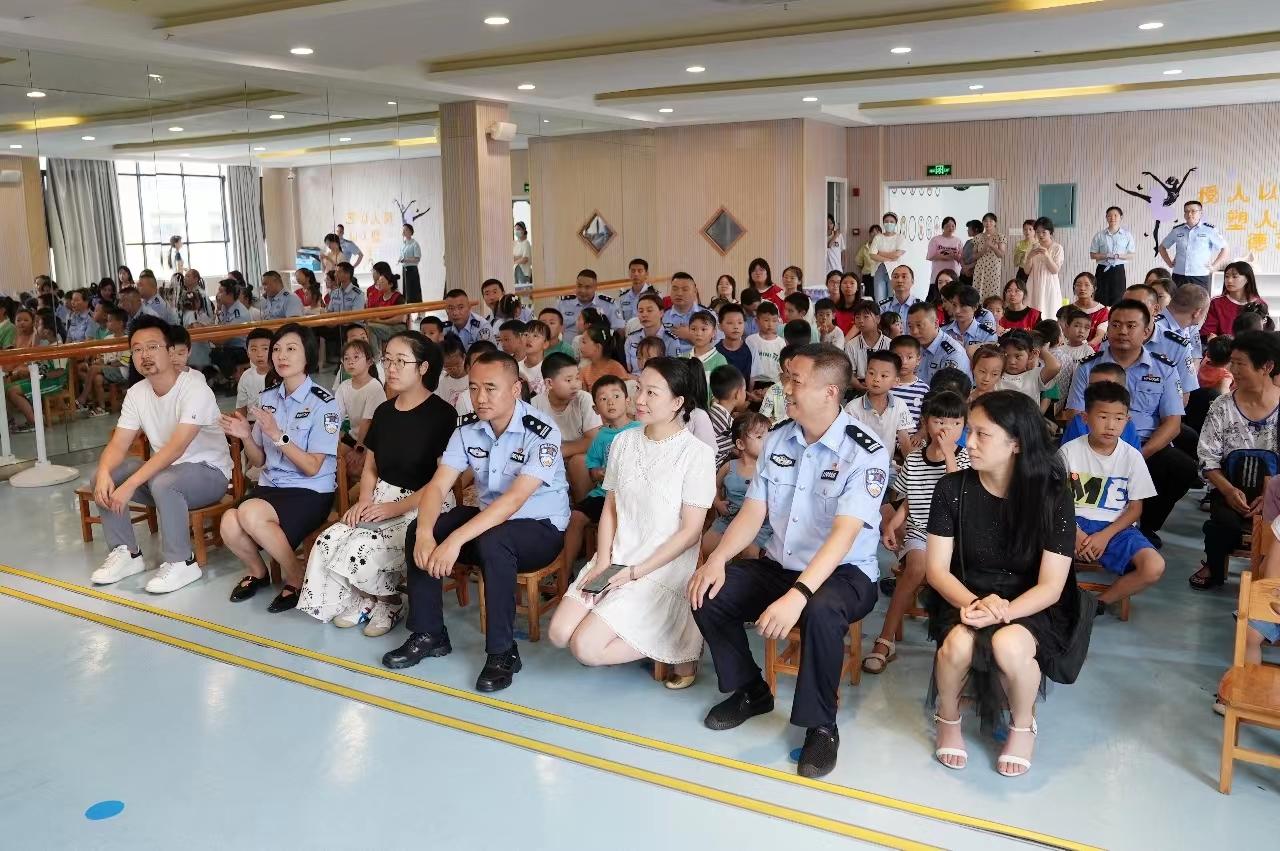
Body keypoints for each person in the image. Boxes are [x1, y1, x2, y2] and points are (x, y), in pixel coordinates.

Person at [689, 345, 889, 778]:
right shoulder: (780, 438)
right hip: (781, 566)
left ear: (830, 392)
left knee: (820, 610)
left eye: (795, 381)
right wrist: (717, 558)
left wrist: (798, 595)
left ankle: (822, 726)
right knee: (708, 592)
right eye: (786, 378)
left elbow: (844, 535)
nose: (785, 388)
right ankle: (751, 690)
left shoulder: (865, 451)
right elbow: (753, 511)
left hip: (846, 573)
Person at [384, 350, 569, 692]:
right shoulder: (468, 428)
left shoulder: (541, 432)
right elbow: (438, 485)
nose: (480, 397)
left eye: (490, 388)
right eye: (473, 388)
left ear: (515, 389)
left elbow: (514, 501)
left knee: (493, 542)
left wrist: (455, 541)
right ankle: (429, 633)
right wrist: (425, 533)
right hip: (488, 522)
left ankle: (503, 653)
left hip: (539, 527)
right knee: (422, 529)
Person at [925, 391, 1088, 777]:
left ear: (1016, 443)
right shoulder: (951, 489)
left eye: (982, 434)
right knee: (957, 646)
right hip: (966, 593)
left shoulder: (1053, 496)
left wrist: (1005, 612)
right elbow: (937, 571)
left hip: (1030, 600)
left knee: (1010, 646)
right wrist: (977, 605)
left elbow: (1051, 586)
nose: (968, 442)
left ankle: (1023, 724)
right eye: (969, 431)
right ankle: (947, 717)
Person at [551, 356, 715, 686]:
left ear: (677, 403)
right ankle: (655, 633)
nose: (639, 399)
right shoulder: (624, 442)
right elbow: (610, 507)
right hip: (619, 555)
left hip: (661, 565)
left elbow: (690, 532)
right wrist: (603, 561)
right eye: (639, 389)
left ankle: (680, 647)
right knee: (558, 634)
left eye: (652, 393)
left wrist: (635, 572)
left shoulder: (697, 454)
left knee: (585, 647)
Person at [297, 332, 456, 631]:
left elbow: (440, 481)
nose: (391, 368)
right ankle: (365, 598)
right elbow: (371, 465)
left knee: (362, 545)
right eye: (388, 360)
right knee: (328, 540)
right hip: (382, 496)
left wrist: (394, 508)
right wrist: (365, 500)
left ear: (423, 368)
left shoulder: (442, 415)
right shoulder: (384, 411)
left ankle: (390, 601)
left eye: (401, 361)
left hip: (425, 503)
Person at [87, 315, 232, 594]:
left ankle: (182, 562)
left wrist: (131, 485)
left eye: (152, 347)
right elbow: (118, 445)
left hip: (209, 475)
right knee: (103, 476)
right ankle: (127, 554)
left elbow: (176, 448)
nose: (145, 355)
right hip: (164, 475)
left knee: (164, 482)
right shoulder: (137, 393)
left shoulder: (195, 389)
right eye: (137, 349)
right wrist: (105, 473)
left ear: (169, 350)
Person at [218, 324, 340, 613]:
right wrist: (245, 436)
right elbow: (259, 460)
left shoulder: (324, 403)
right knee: (229, 522)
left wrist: (278, 436)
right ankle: (258, 572)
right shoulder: (267, 398)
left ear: (307, 356)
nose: (281, 356)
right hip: (271, 487)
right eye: (277, 349)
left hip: (310, 491)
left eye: (291, 349)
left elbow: (312, 467)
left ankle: (296, 577)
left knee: (249, 513)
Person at [1065, 300, 1196, 542]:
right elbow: (1076, 414)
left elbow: (1173, 422)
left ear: (1146, 331)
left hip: (1146, 447)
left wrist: (1135, 456)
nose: (1122, 331)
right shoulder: (1089, 366)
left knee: (1182, 468)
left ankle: (1146, 525)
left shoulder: (1164, 368)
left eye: (1131, 325)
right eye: (1115, 325)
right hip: (1094, 443)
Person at [865, 390, 969, 674]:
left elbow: (956, 494)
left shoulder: (964, 460)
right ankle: (885, 640)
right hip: (922, 532)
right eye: (939, 422)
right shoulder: (914, 460)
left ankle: (958, 643)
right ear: (926, 422)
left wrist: (949, 456)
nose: (947, 429)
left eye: (956, 423)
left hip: (958, 536)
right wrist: (892, 524)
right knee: (916, 567)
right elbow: (911, 499)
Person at [1060, 381, 1165, 614]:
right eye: (1103, 417)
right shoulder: (1068, 452)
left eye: (1118, 418)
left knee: (1153, 566)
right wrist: (1076, 534)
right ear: (1085, 418)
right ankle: (1055, 598)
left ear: (1128, 420)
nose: (1110, 425)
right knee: (1031, 549)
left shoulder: (1132, 457)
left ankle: (1098, 604)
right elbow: (1055, 503)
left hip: (1116, 528)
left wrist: (1104, 536)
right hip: (1071, 523)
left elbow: (1135, 509)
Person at [1190, 331, 1280, 590]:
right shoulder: (1222, 406)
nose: (1233, 370)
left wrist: (1269, 495)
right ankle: (1214, 565)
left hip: (1276, 494)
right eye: (1233, 362)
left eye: (1241, 364)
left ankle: (1270, 577)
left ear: (1267, 367)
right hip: (1229, 488)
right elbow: (1207, 458)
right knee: (1222, 525)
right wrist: (1228, 491)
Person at [560, 375, 639, 572]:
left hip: (631, 496)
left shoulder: (639, 430)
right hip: (603, 495)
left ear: (628, 401)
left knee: (623, 521)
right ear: (596, 409)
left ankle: (615, 571)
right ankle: (564, 573)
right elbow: (592, 470)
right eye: (603, 399)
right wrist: (598, 473)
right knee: (576, 517)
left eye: (616, 396)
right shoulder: (600, 436)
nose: (610, 402)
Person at [703, 412, 773, 562]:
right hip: (728, 519)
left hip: (759, 524)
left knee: (750, 552)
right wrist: (717, 502)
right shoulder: (730, 467)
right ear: (740, 444)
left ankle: (743, 573)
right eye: (760, 437)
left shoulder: (769, 468)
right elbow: (714, 486)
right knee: (707, 545)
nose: (767, 441)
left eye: (769, 436)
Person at [534, 352, 602, 502]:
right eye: (568, 380)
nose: (576, 384)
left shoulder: (584, 399)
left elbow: (593, 440)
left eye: (577, 378)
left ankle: (582, 508)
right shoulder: (535, 405)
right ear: (549, 383)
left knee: (578, 462)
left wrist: (559, 452)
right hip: (549, 459)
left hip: (578, 459)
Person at [845, 350, 913, 458]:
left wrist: (910, 465)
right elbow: (848, 443)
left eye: (884, 376)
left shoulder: (900, 405)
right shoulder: (852, 408)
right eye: (871, 373)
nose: (876, 379)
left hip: (886, 464)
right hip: (859, 464)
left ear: (896, 381)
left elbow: (904, 440)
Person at [335, 338, 386, 481]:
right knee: (330, 459)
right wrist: (334, 439)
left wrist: (359, 448)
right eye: (346, 358)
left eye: (356, 357)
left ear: (369, 362)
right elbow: (335, 416)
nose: (350, 361)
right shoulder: (344, 387)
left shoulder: (374, 387)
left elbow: (367, 422)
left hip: (373, 441)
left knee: (355, 469)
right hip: (354, 437)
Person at [1059, 362, 1142, 449]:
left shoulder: (1128, 425)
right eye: (1092, 386)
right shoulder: (1079, 421)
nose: (1097, 391)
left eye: (1107, 387)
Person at [1159, 200, 1228, 290]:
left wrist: (1214, 266)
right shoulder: (1177, 230)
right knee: (1177, 298)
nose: (1189, 214)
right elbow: (1162, 247)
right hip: (1179, 275)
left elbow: (1225, 248)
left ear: (1200, 213)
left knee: (1199, 299)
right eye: (1186, 211)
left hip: (1200, 275)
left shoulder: (1209, 230)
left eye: (1193, 211)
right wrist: (1169, 263)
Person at [908, 302, 970, 386]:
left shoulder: (953, 354)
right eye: (910, 326)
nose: (914, 331)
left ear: (936, 324)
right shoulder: (912, 346)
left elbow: (948, 391)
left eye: (919, 325)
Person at [1201, 260, 1266, 342]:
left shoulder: (1259, 304)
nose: (1229, 280)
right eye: (1226, 276)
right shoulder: (1216, 303)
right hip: (1223, 347)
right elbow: (1209, 332)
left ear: (1247, 279)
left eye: (1235, 277)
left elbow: (1264, 334)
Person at [997, 330, 1060, 404]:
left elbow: (1054, 367)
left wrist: (1043, 350)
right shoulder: (996, 375)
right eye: (1006, 355)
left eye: (1017, 356)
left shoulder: (1034, 376)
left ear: (1031, 355)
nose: (1011, 362)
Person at [1090, 206, 1136, 305]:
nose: (1112, 218)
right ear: (1106, 218)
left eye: (1115, 215)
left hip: (1118, 270)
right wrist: (1106, 255)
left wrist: (1118, 256)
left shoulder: (1127, 235)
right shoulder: (1099, 235)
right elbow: (1092, 255)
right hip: (1102, 270)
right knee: (1100, 298)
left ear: (1121, 217)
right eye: (1109, 215)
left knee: (1118, 298)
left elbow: (1131, 255)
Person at [559, 269, 620, 344]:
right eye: (579, 286)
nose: (582, 290)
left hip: (597, 349)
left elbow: (619, 330)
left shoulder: (608, 305)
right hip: (567, 348)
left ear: (595, 287)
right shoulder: (563, 303)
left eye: (587, 287)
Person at [1021, 217, 1064, 320]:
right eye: (1038, 232)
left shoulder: (1057, 248)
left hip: (1049, 284)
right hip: (1033, 283)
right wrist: (1029, 257)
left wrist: (1047, 255)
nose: (1040, 235)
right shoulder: (1032, 247)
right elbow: (1026, 271)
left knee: (1049, 312)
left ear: (1050, 232)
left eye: (1044, 232)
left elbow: (1054, 270)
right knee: (1033, 312)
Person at [845, 300, 889, 393]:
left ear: (877, 319)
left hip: (885, 388)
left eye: (866, 317)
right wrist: (858, 386)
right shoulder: (851, 345)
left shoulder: (889, 344)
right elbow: (849, 373)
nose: (861, 321)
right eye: (857, 317)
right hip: (858, 389)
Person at [661, 273, 707, 357]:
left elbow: (717, 344)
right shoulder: (662, 316)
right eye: (675, 289)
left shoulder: (708, 315)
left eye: (685, 289)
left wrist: (691, 336)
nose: (679, 293)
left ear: (694, 292)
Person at [890, 334, 930, 430]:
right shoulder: (885, 386)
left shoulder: (924, 389)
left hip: (913, 438)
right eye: (898, 357)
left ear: (918, 360)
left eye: (909, 357)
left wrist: (919, 435)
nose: (904, 362)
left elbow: (927, 420)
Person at [943, 285, 998, 354]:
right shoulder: (943, 332)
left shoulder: (987, 335)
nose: (957, 311)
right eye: (954, 305)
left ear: (975, 307)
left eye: (963, 306)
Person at [869, 213, 906, 300]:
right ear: (883, 223)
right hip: (879, 269)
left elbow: (897, 254)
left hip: (895, 270)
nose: (889, 223)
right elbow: (872, 255)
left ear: (895, 223)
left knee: (893, 297)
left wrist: (880, 253)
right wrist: (890, 258)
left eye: (891, 222)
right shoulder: (878, 237)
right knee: (880, 299)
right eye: (886, 221)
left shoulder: (900, 237)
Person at [1067, 272, 1109, 348]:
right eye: (1078, 285)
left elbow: (1099, 336)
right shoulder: (1068, 310)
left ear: (1094, 288)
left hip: (1093, 351)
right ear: (1074, 288)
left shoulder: (1102, 311)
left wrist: (1085, 348)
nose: (1082, 288)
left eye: (1087, 285)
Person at [758, 345, 798, 426]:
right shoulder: (773, 390)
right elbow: (763, 418)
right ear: (782, 367)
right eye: (788, 370)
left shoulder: (805, 389)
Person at [971, 213, 1008, 301]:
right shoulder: (978, 237)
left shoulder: (1000, 236)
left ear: (995, 223)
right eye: (985, 221)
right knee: (977, 292)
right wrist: (984, 249)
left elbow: (1001, 255)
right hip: (980, 268)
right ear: (983, 223)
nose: (988, 223)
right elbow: (974, 256)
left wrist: (992, 246)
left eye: (991, 221)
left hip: (993, 269)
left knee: (992, 293)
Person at [746, 301, 783, 385]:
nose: (770, 324)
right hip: (754, 382)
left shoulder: (781, 343)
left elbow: (782, 368)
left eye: (774, 320)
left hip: (774, 382)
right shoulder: (750, 340)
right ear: (757, 321)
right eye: (766, 320)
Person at [716, 303, 755, 382]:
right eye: (730, 323)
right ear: (720, 326)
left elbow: (753, 378)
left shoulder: (751, 348)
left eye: (740, 323)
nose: (736, 327)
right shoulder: (715, 351)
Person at [878, 265, 923, 330]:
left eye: (904, 277)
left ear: (912, 281)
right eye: (895, 277)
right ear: (891, 282)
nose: (899, 280)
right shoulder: (883, 307)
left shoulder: (921, 307)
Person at [617, 258, 655, 325]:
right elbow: (620, 321)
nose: (636, 274)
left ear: (646, 274)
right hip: (628, 331)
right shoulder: (623, 297)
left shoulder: (654, 295)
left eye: (640, 271)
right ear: (629, 274)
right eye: (633, 271)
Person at [927, 216, 963, 281]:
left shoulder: (958, 241)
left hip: (954, 275)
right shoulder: (935, 240)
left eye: (953, 226)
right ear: (943, 227)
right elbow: (930, 257)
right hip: (938, 275)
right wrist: (944, 256)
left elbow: (961, 258)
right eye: (948, 226)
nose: (950, 228)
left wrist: (956, 256)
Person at [854, 225, 881, 292]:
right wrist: (865, 270)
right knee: (868, 296)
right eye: (873, 232)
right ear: (870, 234)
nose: (875, 234)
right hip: (867, 277)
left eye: (877, 232)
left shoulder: (884, 248)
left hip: (880, 276)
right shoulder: (864, 248)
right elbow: (858, 261)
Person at [400, 223, 423, 302]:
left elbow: (417, 258)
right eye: (403, 230)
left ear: (410, 231)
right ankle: (408, 306)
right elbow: (402, 256)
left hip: (412, 269)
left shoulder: (414, 243)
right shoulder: (403, 244)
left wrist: (405, 259)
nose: (403, 231)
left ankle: (417, 306)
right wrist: (400, 259)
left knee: (413, 290)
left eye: (406, 230)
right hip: (404, 269)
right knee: (406, 290)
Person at [1012, 220, 1036, 285]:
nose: (1027, 231)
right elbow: (1015, 263)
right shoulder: (1019, 244)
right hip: (1022, 273)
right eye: (1025, 229)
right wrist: (1020, 254)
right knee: (1021, 290)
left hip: (1034, 272)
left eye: (1030, 229)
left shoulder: (1038, 244)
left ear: (1035, 230)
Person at [959, 220, 981, 286]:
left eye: (969, 228)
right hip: (963, 274)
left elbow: (981, 259)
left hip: (975, 275)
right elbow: (961, 257)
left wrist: (969, 267)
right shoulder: (968, 242)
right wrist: (964, 267)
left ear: (976, 229)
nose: (967, 230)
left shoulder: (982, 243)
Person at [511, 221, 532, 286]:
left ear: (523, 230)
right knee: (516, 290)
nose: (516, 231)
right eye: (515, 229)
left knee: (524, 290)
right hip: (515, 270)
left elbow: (525, 259)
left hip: (524, 272)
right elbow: (511, 257)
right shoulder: (514, 243)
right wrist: (520, 257)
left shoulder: (526, 243)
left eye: (518, 229)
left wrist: (515, 260)